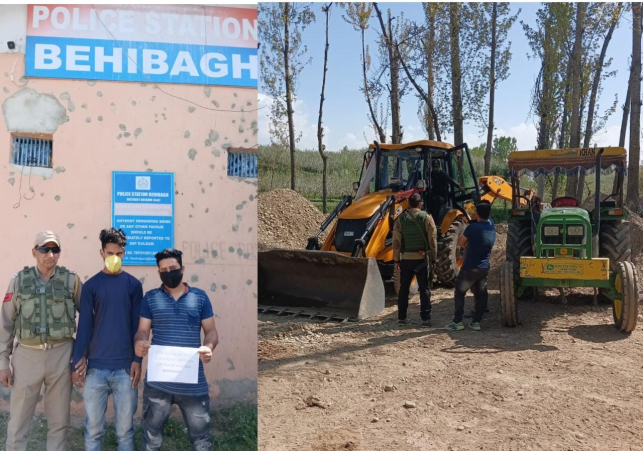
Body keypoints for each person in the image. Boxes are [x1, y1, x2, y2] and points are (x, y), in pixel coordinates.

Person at [0, 230, 85, 451]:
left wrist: (81, 355)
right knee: (18, 422)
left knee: (59, 422)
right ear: (34, 252)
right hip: (27, 356)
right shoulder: (18, 281)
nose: (50, 254)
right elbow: (5, 323)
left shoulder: (71, 281)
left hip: (61, 355)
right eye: (44, 249)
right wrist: (3, 363)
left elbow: (88, 319)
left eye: (55, 249)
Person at [134, 249, 218, 451]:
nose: (168, 273)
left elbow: (212, 331)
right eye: (163, 270)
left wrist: (208, 347)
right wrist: (140, 342)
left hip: (193, 384)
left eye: (173, 268)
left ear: (182, 269)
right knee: (152, 439)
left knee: (201, 440)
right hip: (159, 383)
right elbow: (142, 331)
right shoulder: (151, 298)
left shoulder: (200, 298)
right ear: (158, 272)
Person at [70, 228, 143, 451]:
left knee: (125, 432)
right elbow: (84, 326)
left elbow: (138, 327)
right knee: (93, 430)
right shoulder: (91, 286)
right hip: (96, 370)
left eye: (119, 254)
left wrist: (137, 361)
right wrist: (76, 362)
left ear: (124, 254)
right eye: (110, 253)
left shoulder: (133, 285)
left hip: (124, 370)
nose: (115, 258)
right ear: (101, 252)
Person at [445, 201, 496, 331]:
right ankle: (476, 322)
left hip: (470, 267)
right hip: (484, 268)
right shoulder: (492, 229)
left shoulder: (472, 228)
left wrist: (469, 245)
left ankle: (457, 322)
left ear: (477, 214)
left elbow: (461, 242)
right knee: (481, 294)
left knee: (460, 292)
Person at [393, 193, 438, 326]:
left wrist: (396, 260)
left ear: (408, 204)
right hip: (422, 260)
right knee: (424, 289)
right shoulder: (427, 218)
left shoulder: (401, 220)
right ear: (420, 204)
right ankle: (425, 319)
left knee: (404, 289)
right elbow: (432, 241)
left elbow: (396, 243)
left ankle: (401, 318)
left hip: (406, 260)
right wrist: (434, 258)